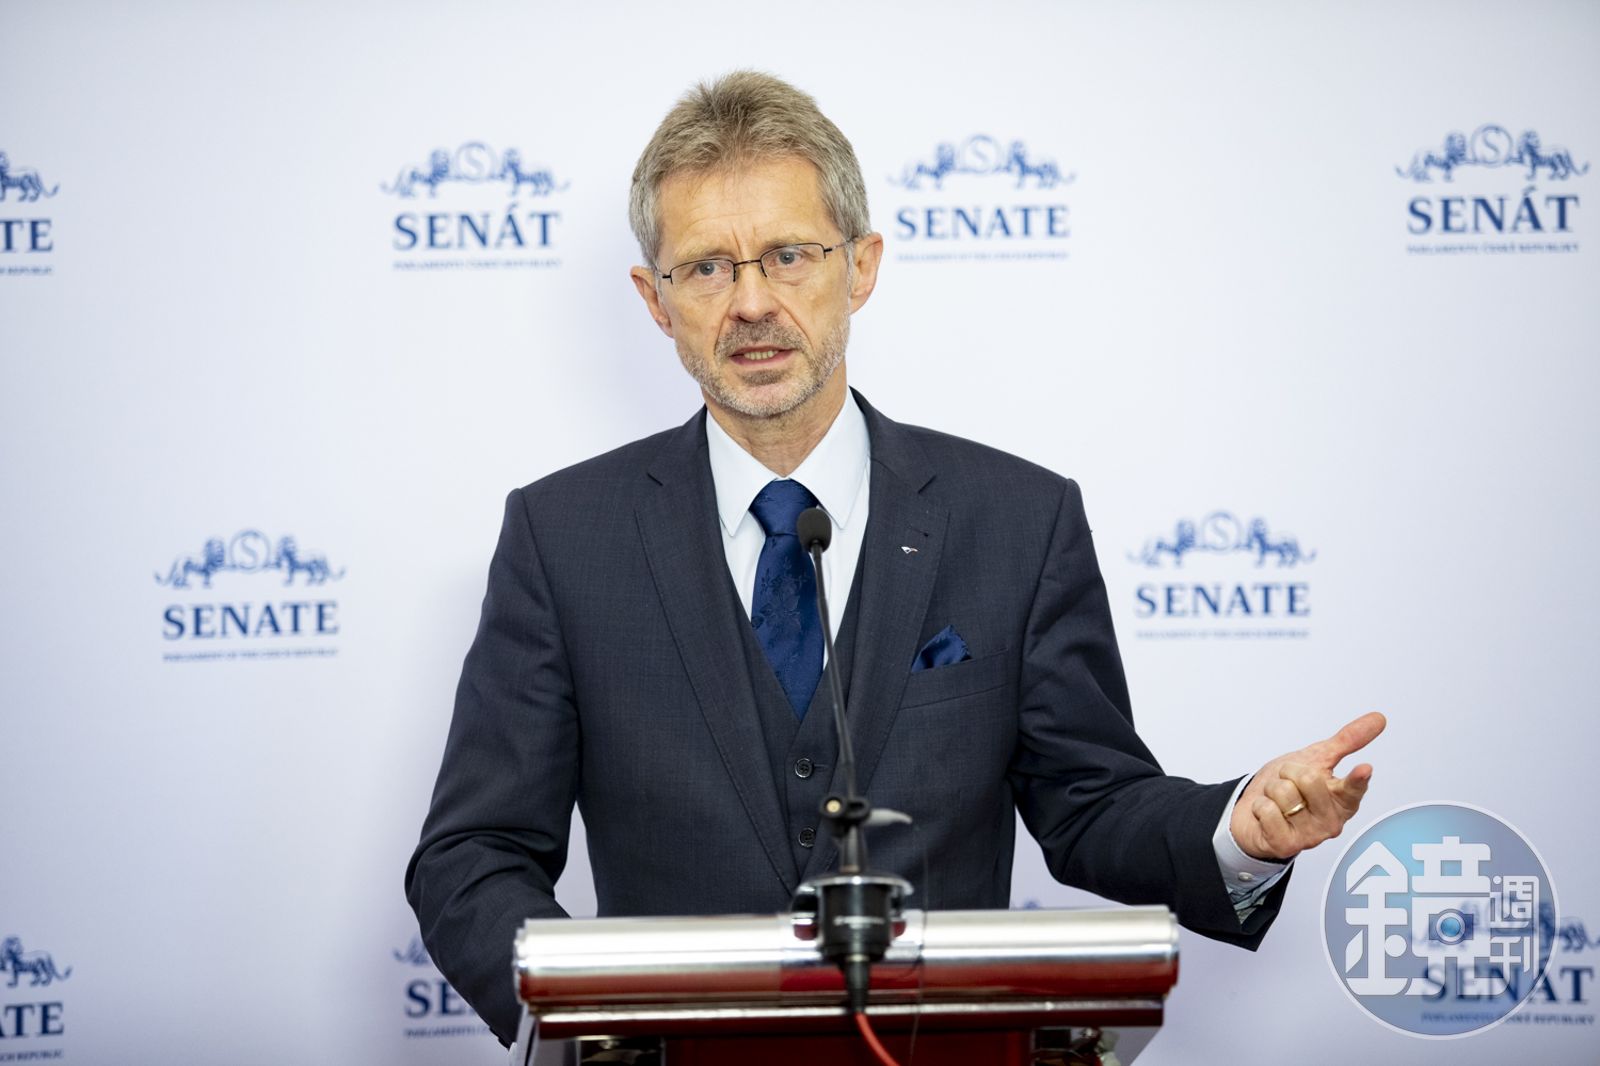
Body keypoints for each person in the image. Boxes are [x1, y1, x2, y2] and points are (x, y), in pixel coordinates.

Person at [405, 71, 1385, 1047]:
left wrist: (1237, 833)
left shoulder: (1019, 521)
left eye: (789, 256)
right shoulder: (562, 536)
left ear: (862, 267)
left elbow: (1091, 805)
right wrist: (587, 1024)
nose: (751, 303)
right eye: (705, 268)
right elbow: (471, 855)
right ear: (654, 300)